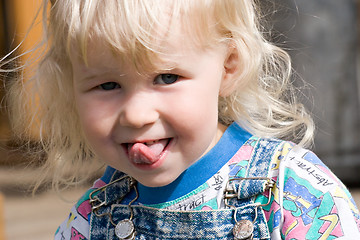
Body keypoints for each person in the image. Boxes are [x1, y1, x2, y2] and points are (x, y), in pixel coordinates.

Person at [5, 0, 360, 239]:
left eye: (166, 78)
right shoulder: (92, 217)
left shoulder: (292, 189)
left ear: (228, 67)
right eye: (107, 85)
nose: (136, 114)